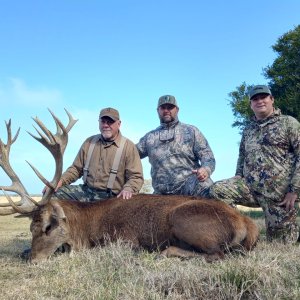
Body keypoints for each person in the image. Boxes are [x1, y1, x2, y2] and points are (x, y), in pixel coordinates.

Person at [209, 85, 300, 244]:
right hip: (250, 187)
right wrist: (238, 174)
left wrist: (294, 190)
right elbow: (242, 155)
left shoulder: (289, 123)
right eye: (255, 99)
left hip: (278, 194)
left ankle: (288, 228)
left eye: (263, 97)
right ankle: (238, 230)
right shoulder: (248, 129)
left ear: (272, 99)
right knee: (218, 190)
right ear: (251, 104)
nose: (260, 101)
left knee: (282, 244)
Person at [54, 107, 144, 201]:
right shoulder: (89, 142)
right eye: (103, 121)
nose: (106, 125)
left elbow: (136, 177)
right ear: (99, 122)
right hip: (86, 192)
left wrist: (129, 189)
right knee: (53, 194)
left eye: (110, 122)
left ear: (119, 124)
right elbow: (76, 169)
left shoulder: (128, 147)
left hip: (112, 198)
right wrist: (61, 181)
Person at [136, 95, 215, 197]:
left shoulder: (191, 131)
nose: (166, 110)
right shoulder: (149, 137)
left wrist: (205, 169)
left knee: (210, 190)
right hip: (161, 193)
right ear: (158, 111)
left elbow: (207, 156)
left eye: (170, 107)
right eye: (163, 108)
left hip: (190, 186)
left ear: (177, 110)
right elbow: (131, 154)